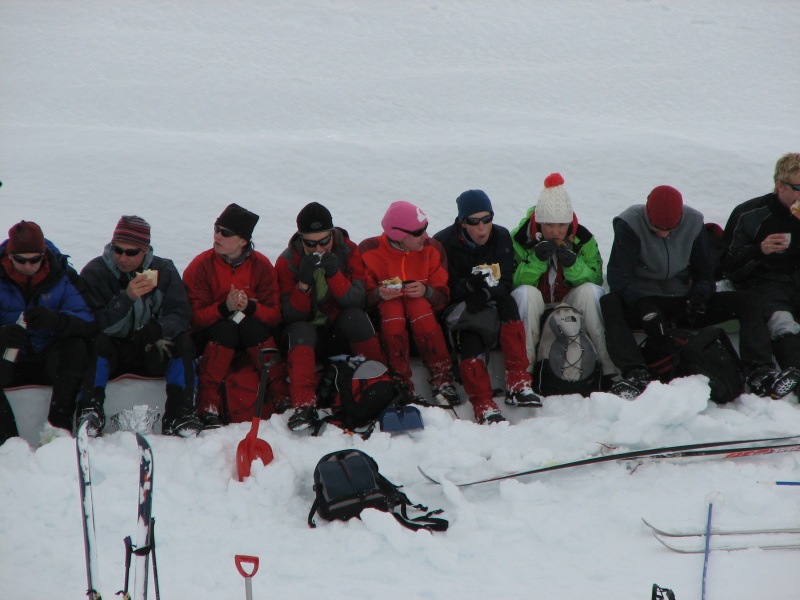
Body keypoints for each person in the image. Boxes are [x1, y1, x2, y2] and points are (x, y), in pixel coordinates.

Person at [601, 185, 800, 399]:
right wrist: (642, 306)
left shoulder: (693, 222)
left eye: (671, 228)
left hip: (683, 300)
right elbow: (618, 278)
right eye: (657, 228)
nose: (664, 233)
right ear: (647, 213)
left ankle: (760, 372)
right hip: (645, 301)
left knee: (748, 300)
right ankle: (635, 374)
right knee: (610, 302)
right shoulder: (630, 222)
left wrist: (699, 296)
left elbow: (706, 273)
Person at [78, 216, 202, 437]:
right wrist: (126, 298)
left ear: (145, 250)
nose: (123, 257)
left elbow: (181, 314)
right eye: (118, 250)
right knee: (94, 343)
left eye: (131, 252)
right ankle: (90, 410)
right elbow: (91, 323)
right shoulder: (95, 272)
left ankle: (181, 412)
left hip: (150, 348)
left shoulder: (164, 270)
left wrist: (159, 328)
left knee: (183, 342)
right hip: (113, 351)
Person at [274, 202, 388, 431]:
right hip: (306, 338)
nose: (318, 249)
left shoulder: (348, 251)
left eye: (324, 241)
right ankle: (304, 406)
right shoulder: (287, 262)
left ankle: (380, 382)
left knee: (355, 317)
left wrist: (334, 274)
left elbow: (357, 300)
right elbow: (290, 316)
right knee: (301, 329)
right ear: (301, 239)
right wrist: (304, 285)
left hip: (337, 331)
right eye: (310, 243)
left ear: (332, 234)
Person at [433, 190, 540, 424]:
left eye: (487, 219)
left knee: (508, 303)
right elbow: (442, 286)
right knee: (471, 331)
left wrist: (485, 291)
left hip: (492, 298)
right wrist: (469, 288)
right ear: (462, 222)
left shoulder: (500, 236)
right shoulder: (444, 243)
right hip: (460, 308)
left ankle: (518, 380)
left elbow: (506, 280)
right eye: (473, 221)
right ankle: (481, 401)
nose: (482, 228)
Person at [182, 204, 288, 428]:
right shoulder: (201, 266)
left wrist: (249, 307)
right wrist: (224, 308)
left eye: (226, 232)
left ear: (243, 241)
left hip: (251, 334)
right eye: (216, 228)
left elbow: (275, 315)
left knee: (253, 326)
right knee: (226, 328)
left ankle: (279, 392)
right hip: (214, 337)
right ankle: (207, 403)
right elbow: (192, 320)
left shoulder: (261, 265)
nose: (217, 235)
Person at [510, 173, 616, 384]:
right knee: (525, 293)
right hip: (536, 302)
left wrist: (572, 264)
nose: (556, 232)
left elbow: (595, 280)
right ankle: (525, 375)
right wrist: (536, 261)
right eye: (549, 225)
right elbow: (512, 283)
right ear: (539, 221)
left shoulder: (583, 239)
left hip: (567, 300)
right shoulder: (519, 238)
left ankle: (609, 370)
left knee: (590, 292)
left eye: (562, 225)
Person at [0, 221, 95, 445]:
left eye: (35, 259)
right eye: (20, 260)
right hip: (8, 360)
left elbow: (89, 321)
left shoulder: (62, 275)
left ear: (44, 255)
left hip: (49, 358)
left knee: (77, 345)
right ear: (9, 256)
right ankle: (8, 441)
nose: (28, 265)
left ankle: (59, 427)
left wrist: (56, 320)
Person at [358, 201, 460, 407]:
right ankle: (400, 379)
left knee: (418, 304)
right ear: (398, 235)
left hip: (425, 320)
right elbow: (360, 299)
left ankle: (442, 378)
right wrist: (378, 294)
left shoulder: (432, 248)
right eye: (418, 231)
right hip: (387, 322)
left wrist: (427, 291)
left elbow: (444, 297)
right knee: (392, 307)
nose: (426, 235)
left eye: (426, 228)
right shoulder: (369, 250)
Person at [721, 153, 800, 372]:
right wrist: (759, 250)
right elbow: (728, 266)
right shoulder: (750, 214)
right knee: (781, 322)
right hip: (764, 282)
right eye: (798, 188)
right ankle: (795, 372)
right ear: (779, 185)